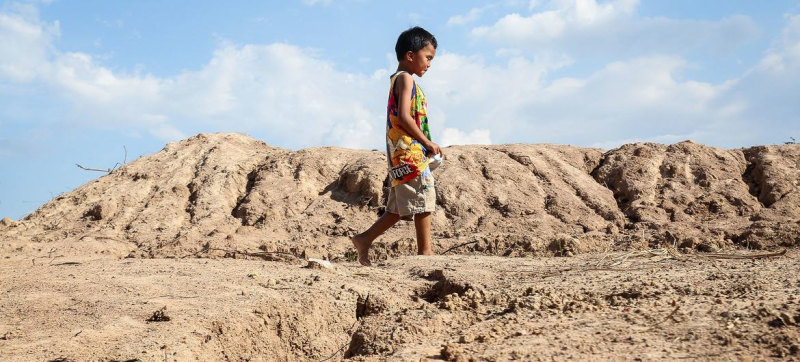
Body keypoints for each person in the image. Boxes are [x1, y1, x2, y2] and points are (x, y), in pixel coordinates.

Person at [351, 26, 442, 266]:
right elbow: (402, 116)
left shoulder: (399, 79)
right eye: (428, 58)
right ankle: (426, 253)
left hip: (400, 154)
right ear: (410, 55)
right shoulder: (405, 78)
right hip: (410, 153)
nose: (430, 64)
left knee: (397, 208)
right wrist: (426, 141)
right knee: (423, 197)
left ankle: (364, 239)